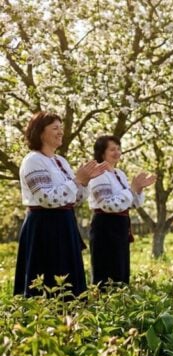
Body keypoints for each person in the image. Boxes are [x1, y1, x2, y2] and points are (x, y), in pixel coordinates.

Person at [15, 111, 107, 298]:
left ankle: (71, 321)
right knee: (47, 279)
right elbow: (47, 199)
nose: (60, 132)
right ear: (40, 132)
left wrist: (85, 181)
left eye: (61, 128)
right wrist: (76, 181)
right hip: (44, 226)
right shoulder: (33, 160)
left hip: (65, 224)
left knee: (68, 280)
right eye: (55, 128)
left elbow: (74, 199)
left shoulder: (60, 161)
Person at [88, 135, 155, 287]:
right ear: (101, 153)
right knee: (106, 270)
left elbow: (132, 202)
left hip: (120, 225)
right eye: (112, 149)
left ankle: (120, 303)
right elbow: (108, 204)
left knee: (121, 269)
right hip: (105, 225)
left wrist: (138, 189)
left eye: (118, 148)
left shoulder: (120, 174)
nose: (117, 152)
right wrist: (132, 190)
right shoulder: (98, 174)